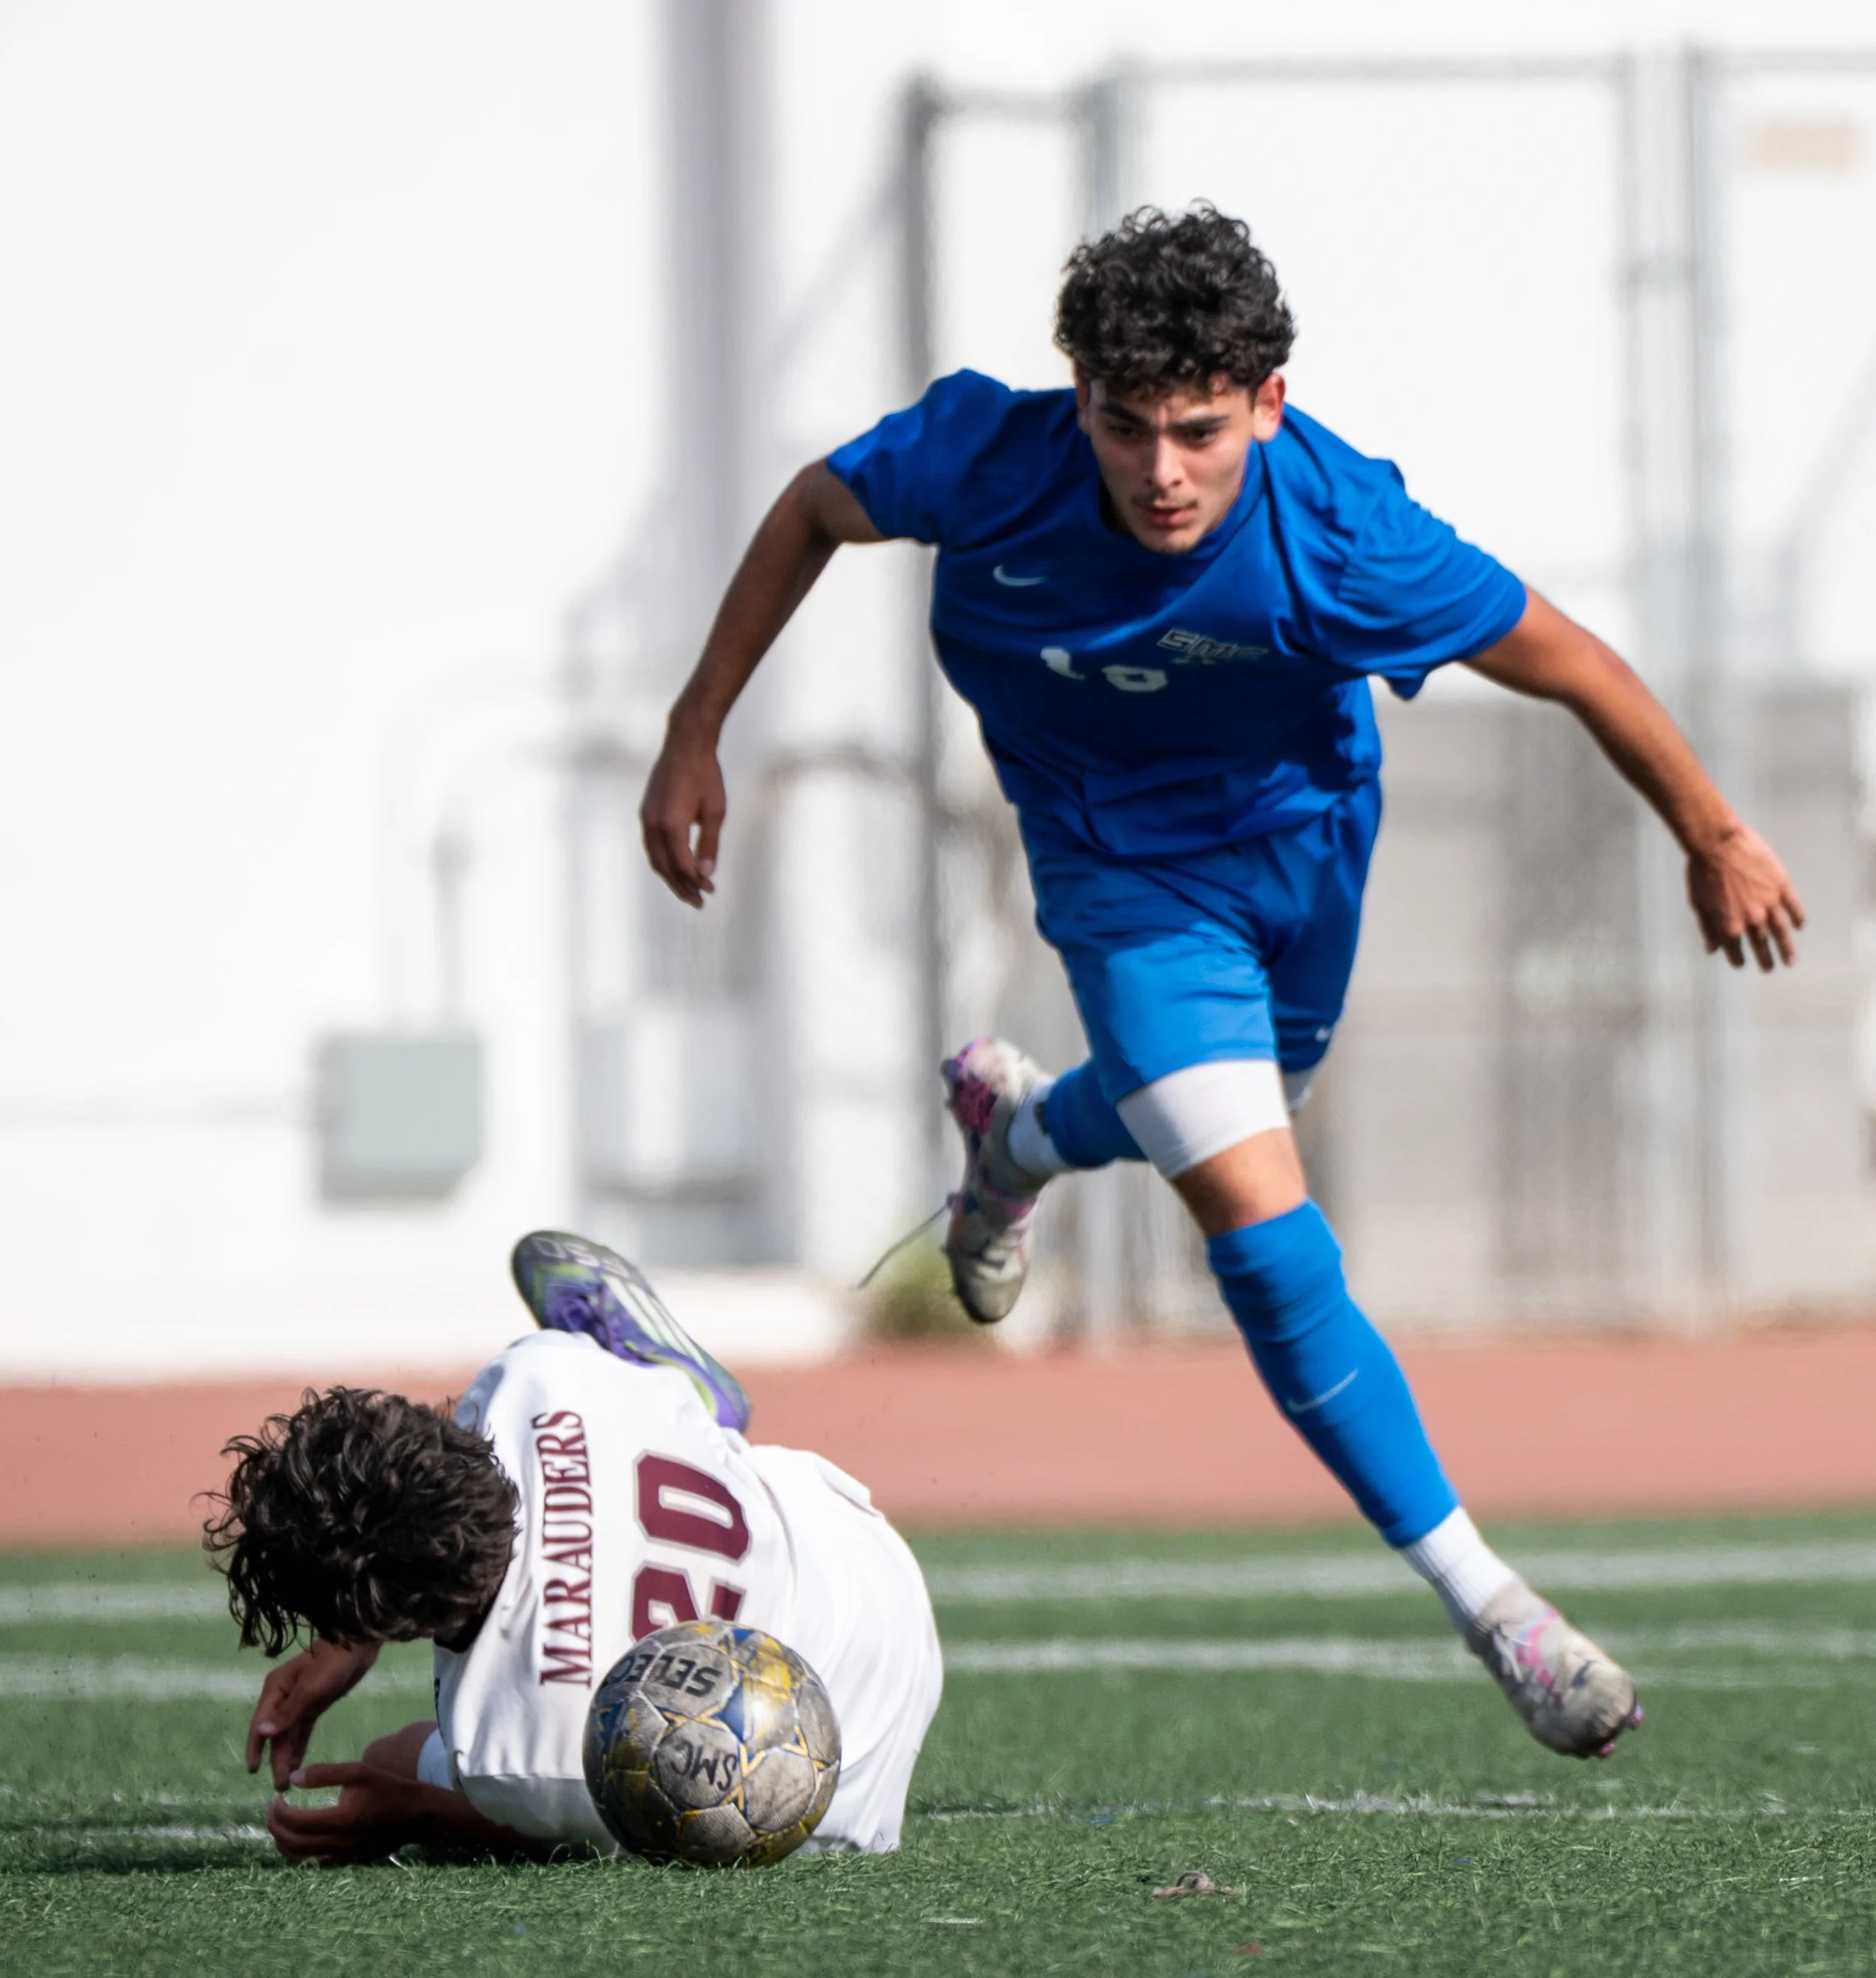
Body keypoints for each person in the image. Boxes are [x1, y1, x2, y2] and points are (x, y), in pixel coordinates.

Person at [637, 204, 1806, 1760]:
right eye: (1126, 426)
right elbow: (810, 509)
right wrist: (695, 727)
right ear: (1079, 399)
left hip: (1302, 855)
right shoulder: (986, 457)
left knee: (1250, 1098)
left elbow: (1574, 659)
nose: (1161, 470)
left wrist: (1714, 832)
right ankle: (1492, 1601)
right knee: (1264, 1225)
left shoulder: (1346, 535)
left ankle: (1021, 1135)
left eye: (1198, 429)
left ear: (1267, 401)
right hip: (1119, 876)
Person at [208, 1231, 942, 1862]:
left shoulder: (515, 1756)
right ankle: (669, 1389)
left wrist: (413, 1814)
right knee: (629, 1419)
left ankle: (678, 1395)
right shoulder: (537, 1373)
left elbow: (551, 1835)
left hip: (836, 1792)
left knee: (386, 1762)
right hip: (855, 1548)